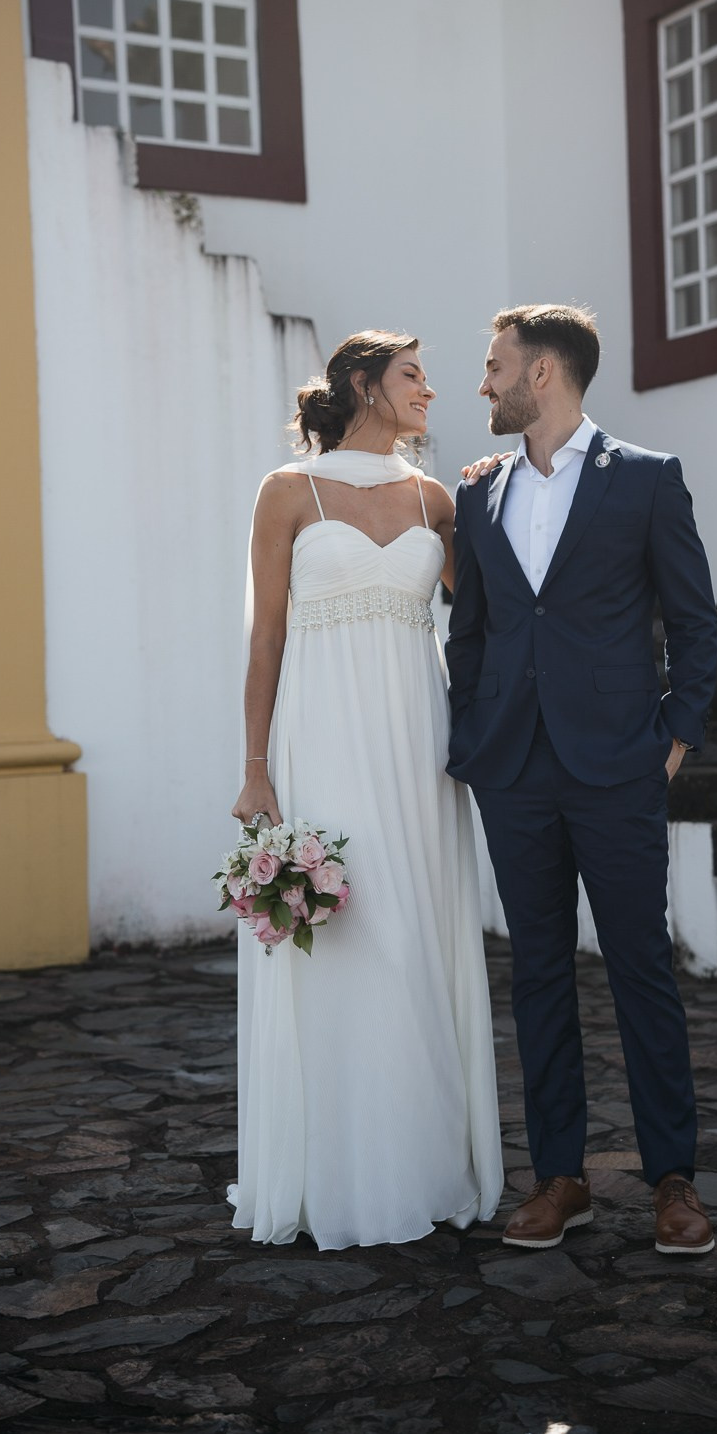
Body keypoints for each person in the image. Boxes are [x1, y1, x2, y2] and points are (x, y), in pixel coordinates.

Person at [446, 304, 717, 1255]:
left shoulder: (646, 480)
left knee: (642, 968)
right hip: (514, 771)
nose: (482, 382)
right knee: (537, 971)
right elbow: (472, 629)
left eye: (494, 366)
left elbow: (694, 617)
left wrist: (675, 735)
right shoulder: (478, 492)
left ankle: (673, 1180)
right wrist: (471, 730)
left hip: (618, 767)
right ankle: (560, 1177)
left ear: (546, 374)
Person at [229, 330, 503, 1249]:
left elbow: (486, 616)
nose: (432, 389)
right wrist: (257, 767)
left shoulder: (437, 498)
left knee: (417, 935)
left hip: (419, 742)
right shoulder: (286, 491)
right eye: (413, 375)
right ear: (362, 384)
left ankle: (423, 1162)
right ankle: (341, 1173)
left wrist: (492, 499)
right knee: (350, 938)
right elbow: (265, 639)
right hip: (325, 737)